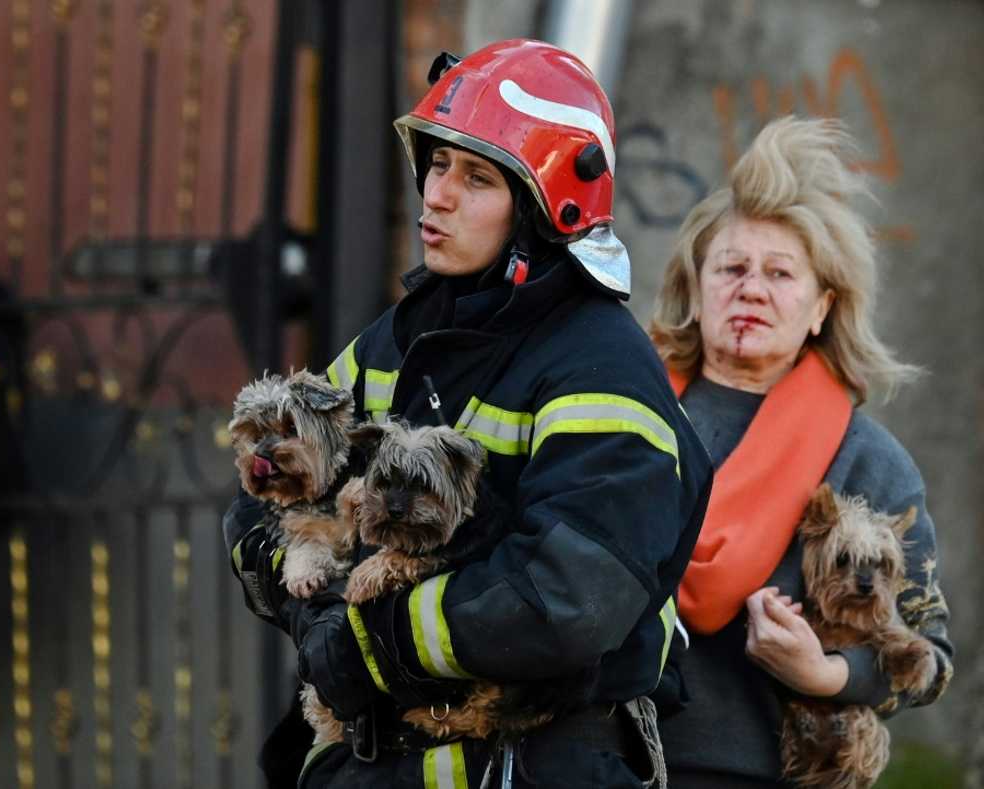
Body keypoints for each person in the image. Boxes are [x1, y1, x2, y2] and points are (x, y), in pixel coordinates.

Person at [224, 39, 712, 788]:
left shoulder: (602, 370)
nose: (438, 195)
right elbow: (265, 495)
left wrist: (373, 642)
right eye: (438, 165)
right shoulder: (400, 338)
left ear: (548, 208)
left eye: (477, 177)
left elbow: (569, 598)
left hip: (536, 764)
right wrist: (317, 618)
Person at [648, 116, 954, 788]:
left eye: (781, 274)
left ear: (822, 306)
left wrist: (826, 673)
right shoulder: (628, 417)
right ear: (694, 289)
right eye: (730, 267)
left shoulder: (867, 460)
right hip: (605, 769)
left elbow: (929, 655)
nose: (751, 288)